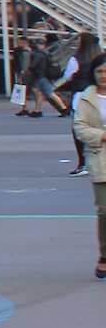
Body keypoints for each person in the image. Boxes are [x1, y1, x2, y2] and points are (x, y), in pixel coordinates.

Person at [72, 53, 106, 281]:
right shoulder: (86, 98)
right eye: (100, 71)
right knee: (104, 211)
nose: (104, 76)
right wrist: (102, 135)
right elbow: (79, 128)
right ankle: (104, 255)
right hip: (100, 159)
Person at [66, 34, 99, 173]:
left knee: (79, 129)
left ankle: (83, 163)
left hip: (80, 95)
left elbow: (68, 76)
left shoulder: (76, 59)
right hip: (99, 95)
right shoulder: (100, 58)